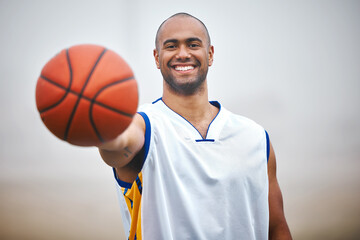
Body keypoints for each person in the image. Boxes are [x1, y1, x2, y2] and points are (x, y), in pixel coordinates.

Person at [99, 12, 292, 240]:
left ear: (210, 54)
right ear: (156, 57)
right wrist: (97, 124)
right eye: (171, 46)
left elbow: (276, 228)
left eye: (193, 44)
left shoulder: (255, 138)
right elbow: (118, 144)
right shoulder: (145, 125)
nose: (182, 54)